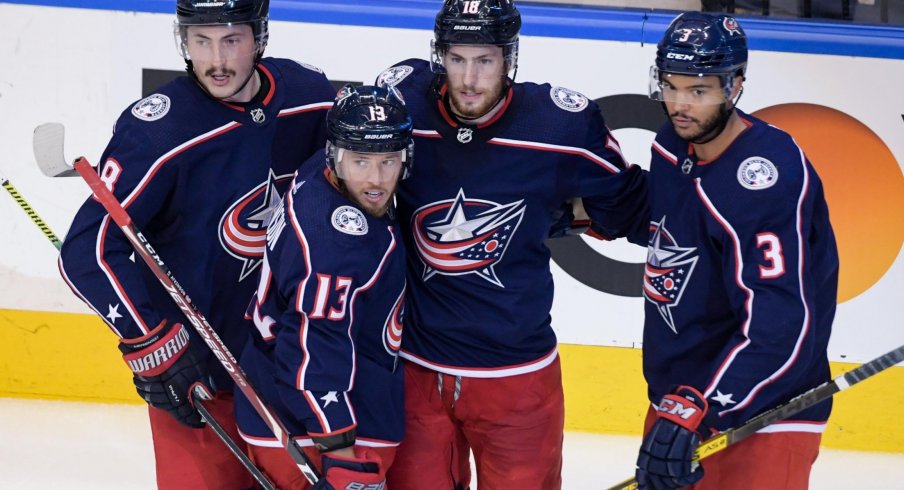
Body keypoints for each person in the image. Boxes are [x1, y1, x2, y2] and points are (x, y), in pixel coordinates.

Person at [57, 0, 335, 487]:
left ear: (259, 37)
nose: (217, 61)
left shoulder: (310, 98)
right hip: (199, 375)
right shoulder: (159, 130)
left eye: (232, 40)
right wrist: (152, 341)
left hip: (289, 370)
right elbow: (89, 250)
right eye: (201, 41)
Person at [374, 1, 648, 488]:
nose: (469, 79)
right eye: (456, 59)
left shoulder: (560, 127)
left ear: (509, 59)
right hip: (416, 368)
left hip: (516, 376)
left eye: (485, 61)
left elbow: (628, 207)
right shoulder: (401, 105)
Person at [634, 12, 838, 490]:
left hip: (765, 416)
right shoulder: (671, 144)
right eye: (671, 86)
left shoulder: (767, 177)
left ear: (734, 86)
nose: (680, 104)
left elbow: (782, 323)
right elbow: (673, 220)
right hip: (680, 403)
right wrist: (592, 211)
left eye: (698, 91)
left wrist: (704, 405)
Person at [233, 84, 413, 489]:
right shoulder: (336, 246)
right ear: (337, 155)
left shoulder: (318, 171)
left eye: (389, 162)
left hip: (281, 395)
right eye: (362, 162)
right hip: (312, 428)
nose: (376, 179)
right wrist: (340, 452)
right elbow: (313, 350)